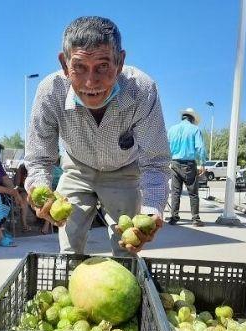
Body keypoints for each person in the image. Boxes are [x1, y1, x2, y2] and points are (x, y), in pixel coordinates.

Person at [24, 16, 171, 255]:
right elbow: (39, 159)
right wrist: (39, 189)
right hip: (76, 168)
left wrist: (152, 208)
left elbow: (155, 162)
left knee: (128, 247)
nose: (91, 82)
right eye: (79, 67)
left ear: (120, 62)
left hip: (124, 171)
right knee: (70, 247)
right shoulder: (50, 91)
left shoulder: (142, 90)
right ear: (64, 64)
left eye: (103, 66)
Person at [167, 108, 206, 227]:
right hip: (188, 164)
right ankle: (195, 218)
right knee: (193, 193)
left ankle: (174, 217)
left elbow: (166, 146)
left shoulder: (172, 129)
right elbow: (200, 147)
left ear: (183, 117)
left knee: (175, 192)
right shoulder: (195, 129)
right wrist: (202, 163)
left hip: (174, 163)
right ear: (192, 119)